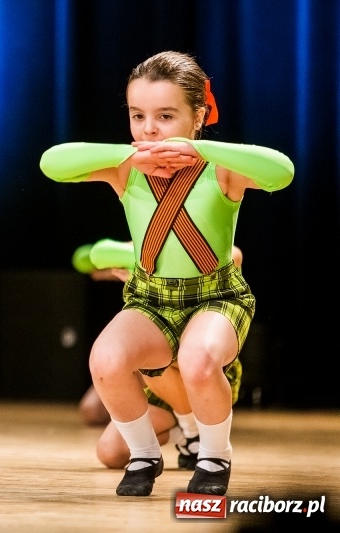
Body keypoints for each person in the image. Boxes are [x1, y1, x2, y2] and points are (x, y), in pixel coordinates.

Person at [40, 51, 294, 496]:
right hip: (151, 299)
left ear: (198, 117)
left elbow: (282, 172)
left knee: (198, 361)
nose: (149, 129)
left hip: (215, 297)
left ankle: (213, 458)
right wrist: (127, 154)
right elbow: (52, 162)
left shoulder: (220, 170)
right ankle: (145, 455)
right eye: (138, 116)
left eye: (165, 116)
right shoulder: (126, 168)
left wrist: (198, 150)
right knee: (105, 359)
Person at [74, 239, 244, 472]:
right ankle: (183, 431)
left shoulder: (197, 230)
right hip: (158, 377)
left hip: (200, 364)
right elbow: (92, 256)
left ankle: (195, 430)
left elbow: (234, 255)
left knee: (161, 350)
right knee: (110, 453)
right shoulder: (141, 239)